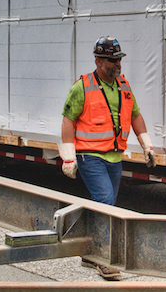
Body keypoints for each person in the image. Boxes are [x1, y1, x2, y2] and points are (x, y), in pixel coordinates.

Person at [58, 36, 156, 206]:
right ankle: (100, 233)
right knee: (105, 199)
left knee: (109, 203)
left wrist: (147, 146)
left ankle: (96, 230)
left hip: (115, 157)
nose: (117, 64)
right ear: (98, 61)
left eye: (119, 59)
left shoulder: (124, 85)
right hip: (90, 156)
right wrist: (68, 157)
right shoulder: (82, 87)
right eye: (112, 60)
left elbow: (135, 115)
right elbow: (68, 120)